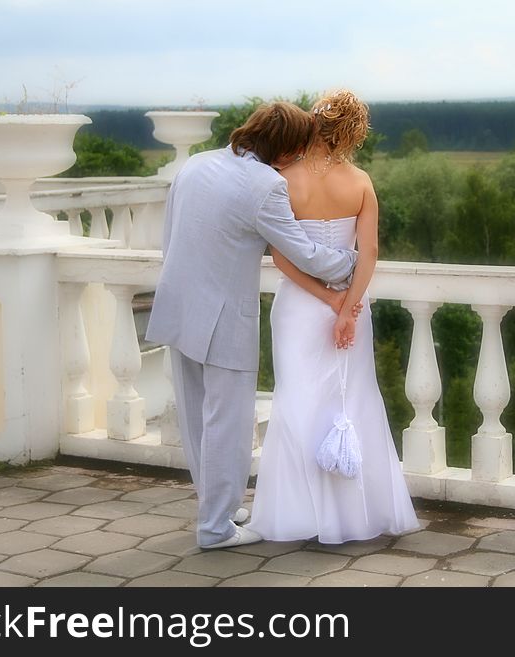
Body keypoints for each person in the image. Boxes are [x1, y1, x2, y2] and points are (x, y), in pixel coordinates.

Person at [146, 102, 359, 550]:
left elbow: (171, 234)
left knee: (196, 419)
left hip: (178, 304)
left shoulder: (195, 165)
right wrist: (353, 261)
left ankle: (215, 508)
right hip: (223, 318)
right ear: (289, 148)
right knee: (229, 424)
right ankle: (216, 529)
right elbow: (304, 253)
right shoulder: (266, 185)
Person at [248, 90, 420, 544]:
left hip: (300, 308)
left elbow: (282, 260)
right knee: (352, 401)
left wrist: (326, 300)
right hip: (353, 307)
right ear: (354, 134)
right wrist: (345, 308)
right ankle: (356, 516)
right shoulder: (360, 182)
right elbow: (370, 254)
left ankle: (298, 515)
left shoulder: (282, 178)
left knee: (297, 402)